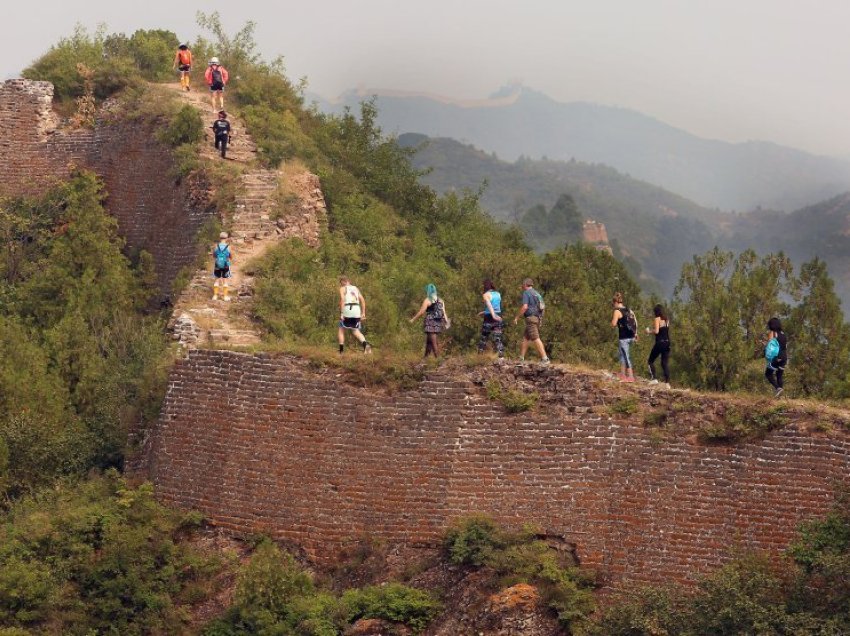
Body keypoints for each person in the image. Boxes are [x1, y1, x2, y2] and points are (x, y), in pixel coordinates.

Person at [513, 278, 550, 364]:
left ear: (525, 285)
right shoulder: (537, 294)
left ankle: (545, 359)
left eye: (523, 285)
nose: (522, 286)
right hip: (537, 318)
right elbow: (543, 307)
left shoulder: (526, 293)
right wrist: (540, 319)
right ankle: (521, 358)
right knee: (526, 338)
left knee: (535, 338)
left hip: (530, 318)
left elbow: (525, 307)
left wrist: (517, 317)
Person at [409, 283, 448, 358]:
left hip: (430, 322)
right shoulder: (441, 300)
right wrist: (446, 322)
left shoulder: (428, 300)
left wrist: (413, 319)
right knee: (429, 342)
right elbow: (444, 312)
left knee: (434, 342)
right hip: (438, 322)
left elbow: (421, 312)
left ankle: (438, 359)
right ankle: (425, 358)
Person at [338, 276, 372, 354]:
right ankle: (366, 346)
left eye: (341, 283)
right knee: (356, 331)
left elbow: (343, 300)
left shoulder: (342, 288)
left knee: (341, 329)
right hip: (357, 310)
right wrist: (363, 313)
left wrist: (342, 313)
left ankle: (341, 351)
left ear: (342, 282)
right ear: (349, 281)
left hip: (348, 309)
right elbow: (362, 300)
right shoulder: (356, 288)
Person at [611, 292, 637, 382]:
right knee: (622, 355)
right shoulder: (629, 310)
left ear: (615, 302)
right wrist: (636, 333)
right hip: (631, 336)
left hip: (624, 337)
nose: (613, 306)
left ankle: (630, 377)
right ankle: (622, 374)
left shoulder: (617, 311)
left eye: (613, 304)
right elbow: (635, 321)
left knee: (626, 356)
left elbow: (613, 324)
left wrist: (614, 321)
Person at [477, 279, 504, 358]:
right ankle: (501, 357)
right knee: (497, 338)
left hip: (489, 318)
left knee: (484, 337)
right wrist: (484, 312)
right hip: (498, 316)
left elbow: (489, 305)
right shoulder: (498, 294)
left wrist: (493, 315)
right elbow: (495, 307)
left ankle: (479, 356)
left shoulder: (485, 295)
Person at [645, 304, 671, 387]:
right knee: (664, 363)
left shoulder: (657, 319)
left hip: (660, 343)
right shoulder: (667, 320)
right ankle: (667, 383)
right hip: (667, 343)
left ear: (656, 312)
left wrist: (648, 331)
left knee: (650, 361)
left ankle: (654, 379)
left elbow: (656, 331)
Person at [764, 317, 788, 397]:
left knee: (768, 374)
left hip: (777, 357)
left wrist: (765, 345)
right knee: (779, 375)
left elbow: (770, 346)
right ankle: (780, 395)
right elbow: (785, 346)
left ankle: (778, 388)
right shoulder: (783, 333)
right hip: (784, 357)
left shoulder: (773, 333)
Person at [212, 232, 233, 301]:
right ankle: (225, 297)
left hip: (217, 264)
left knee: (217, 279)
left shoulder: (216, 246)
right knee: (225, 280)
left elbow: (214, 255)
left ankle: (215, 296)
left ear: (219, 238)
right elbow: (230, 256)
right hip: (226, 264)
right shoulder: (228, 246)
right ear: (226, 238)